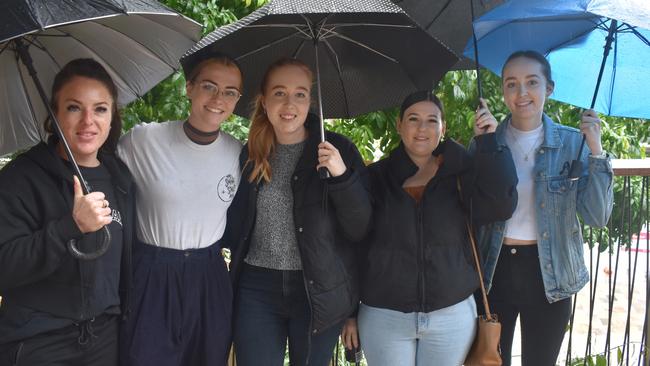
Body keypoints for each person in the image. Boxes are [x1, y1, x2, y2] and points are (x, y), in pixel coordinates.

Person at [341, 90, 518, 366]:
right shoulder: (375, 178)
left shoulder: (462, 172)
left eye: (432, 120)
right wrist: (350, 312)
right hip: (384, 316)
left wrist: (489, 143)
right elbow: (355, 243)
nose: (422, 128)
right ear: (399, 125)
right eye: (413, 119)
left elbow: (500, 206)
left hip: (451, 314)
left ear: (443, 128)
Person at [224, 58, 371, 366]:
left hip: (316, 290)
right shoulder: (250, 155)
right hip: (257, 289)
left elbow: (360, 229)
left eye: (300, 93)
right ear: (264, 102)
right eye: (279, 93)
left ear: (310, 101)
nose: (289, 103)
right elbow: (232, 224)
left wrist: (342, 176)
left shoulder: (337, 149)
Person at [476, 50, 614, 366]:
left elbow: (597, 216)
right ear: (502, 91)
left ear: (549, 88)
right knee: (490, 361)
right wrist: (483, 149)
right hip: (495, 272)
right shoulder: (486, 141)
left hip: (550, 275)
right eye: (511, 84)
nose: (521, 93)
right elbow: (472, 212)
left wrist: (596, 152)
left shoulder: (571, 143)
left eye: (532, 82)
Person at [0, 58, 134, 366]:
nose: (88, 120)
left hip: (103, 339)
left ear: (112, 117)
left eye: (100, 108)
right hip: (36, 341)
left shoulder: (121, 179)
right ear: (54, 116)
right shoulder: (22, 179)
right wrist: (69, 227)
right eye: (74, 107)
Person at [116, 52, 243, 366]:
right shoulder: (142, 141)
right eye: (209, 86)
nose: (218, 99)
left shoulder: (237, 153)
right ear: (189, 88)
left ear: (237, 100)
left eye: (230, 92)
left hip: (210, 275)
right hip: (152, 273)